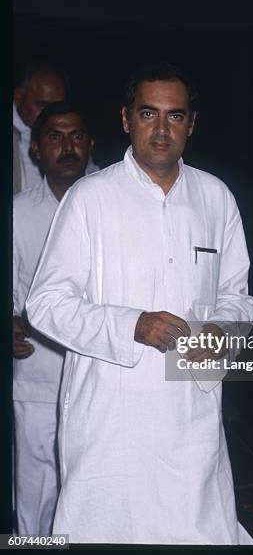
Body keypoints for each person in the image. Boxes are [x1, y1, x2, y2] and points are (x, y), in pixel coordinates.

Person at [26, 62, 253, 544]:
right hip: (112, 422)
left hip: (191, 421)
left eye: (175, 116)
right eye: (149, 113)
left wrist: (224, 333)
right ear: (126, 119)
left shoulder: (216, 198)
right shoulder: (91, 198)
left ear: (191, 124)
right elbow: (46, 304)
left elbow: (238, 297)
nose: (161, 128)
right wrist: (133, 325)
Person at [13, 102, 94, 535]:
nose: (67, 146)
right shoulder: (16, 213)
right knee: (34, 508)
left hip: (101, 385)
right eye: (55, 137)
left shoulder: (108, 207)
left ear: (90, 144)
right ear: (37, 151)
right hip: (38, 383)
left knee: (93, 503)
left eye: (77, 136)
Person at [13, 61, 99, 192]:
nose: (52, 113)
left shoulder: (70, 134)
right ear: (18, 97)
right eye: (42, 105)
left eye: (59, 105)